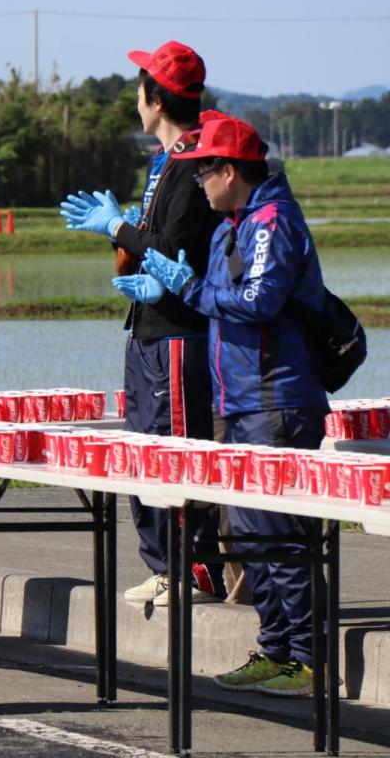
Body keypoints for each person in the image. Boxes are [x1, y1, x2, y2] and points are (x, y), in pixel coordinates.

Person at [122, 115, 329, 696]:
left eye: (205, 170)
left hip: (276, 400)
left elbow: (257, 302)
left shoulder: (272, 222)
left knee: (280, 534)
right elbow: (216, 297)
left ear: (229, 170)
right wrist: (174, 286)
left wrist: (187, 289)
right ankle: (274, 646)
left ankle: (306, 657)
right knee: (247, 532)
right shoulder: (228, 225)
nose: (200, 182)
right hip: (238, 399)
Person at [60, 40, 225, 606]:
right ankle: (165, 565)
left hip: (179, 334)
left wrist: (119, 229)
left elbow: (174, 249)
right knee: (145, 447)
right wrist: (126, 229)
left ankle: (192, 567)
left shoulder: (189, 164)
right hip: (149, 330)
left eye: (139, 88)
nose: (137, 98)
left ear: (154, 98)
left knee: (176, 447)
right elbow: (154, 242)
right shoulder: (165, 161)